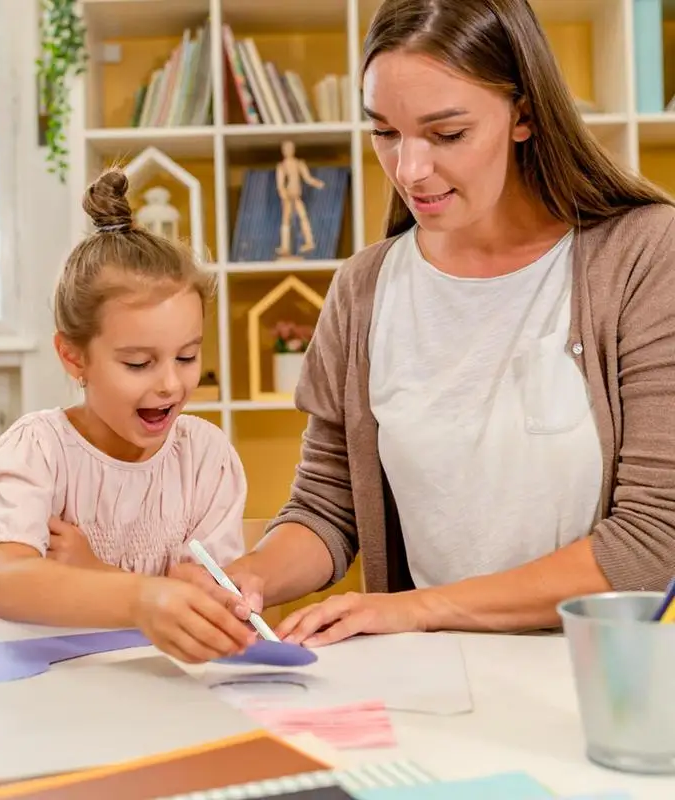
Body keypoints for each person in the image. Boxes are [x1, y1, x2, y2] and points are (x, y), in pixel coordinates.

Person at [178, 0, 675, 647]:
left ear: (523, 114)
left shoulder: (643, 254)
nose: (409, 170)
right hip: (429, 681)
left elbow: (652, 542)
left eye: (447, 134)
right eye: (385, 132)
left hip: (599, 684)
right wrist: (244, 578)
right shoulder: (364, 287)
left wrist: (417, 608)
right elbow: (328, 509)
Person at [0, 168, 256, 664]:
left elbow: (205, 594)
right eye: (139, 363)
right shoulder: (40, 449)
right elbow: (10, 581)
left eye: (187, 356)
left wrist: (95, 572)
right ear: (75, 357)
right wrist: (144, 597)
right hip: (40, 684)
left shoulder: (207, 458)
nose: (169, 383)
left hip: (156, 684)